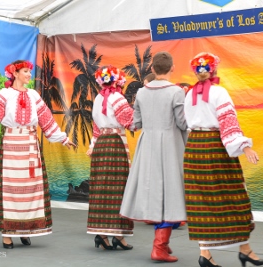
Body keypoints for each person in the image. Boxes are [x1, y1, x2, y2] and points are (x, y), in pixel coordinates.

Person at [0, 60, 76, 249]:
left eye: (29, 71)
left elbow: (46, 120)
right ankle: (7, 234)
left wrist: (63, 138)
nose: (28, 75)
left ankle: (25, 230)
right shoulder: (5, 94)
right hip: (11, 145)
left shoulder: (34, 95)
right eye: (25, 71)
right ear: (15, 73)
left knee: (29, 189)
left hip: (30, 146)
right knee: (10, 190)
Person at [184, 52, 261, 267]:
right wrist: (245, 147)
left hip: (194, 148)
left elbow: (185, 121)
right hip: (216, 148)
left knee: (201, 201)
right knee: (234, 196)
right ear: (214, 70)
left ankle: (206, 254)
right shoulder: (220, 92)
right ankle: (244, 250)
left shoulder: (189, 94)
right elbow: (228, 124)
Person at [120, 51, 188, 262]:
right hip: (170, 145)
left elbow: (136, 123)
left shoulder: (141, 92)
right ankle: (159, 247)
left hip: (147, 145)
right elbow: (183, 123)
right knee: (171, 194)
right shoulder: (176, 92)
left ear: (152, 69)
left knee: (156, 193)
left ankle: (163, 244)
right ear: (172, 68)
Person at [85, 65, 134, 251]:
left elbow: (96, 128)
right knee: (117, 189)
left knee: (101, 190)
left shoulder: (98, 98)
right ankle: (118, 236)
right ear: (118, 80)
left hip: (102, 144)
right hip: (115, 144)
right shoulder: (118, 98)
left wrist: (92, 146)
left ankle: (102, 234)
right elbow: (129, 122)